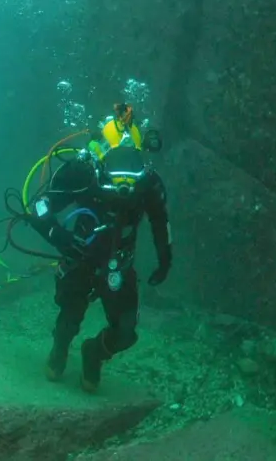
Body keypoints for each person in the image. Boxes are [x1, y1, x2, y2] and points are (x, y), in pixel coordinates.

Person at [26, 139, 172, 392]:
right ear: (101, 167)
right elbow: (39, 206)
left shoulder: (149, 183)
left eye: (132, 179)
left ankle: (93, 353)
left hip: (119, 263)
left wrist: (165, 258)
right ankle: (60, 348)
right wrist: (58, 235)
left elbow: (160, 221)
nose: (123, 188)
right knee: (69, 317)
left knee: (126, 331)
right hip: (80, 256)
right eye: (114, 180)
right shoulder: (82, 173)